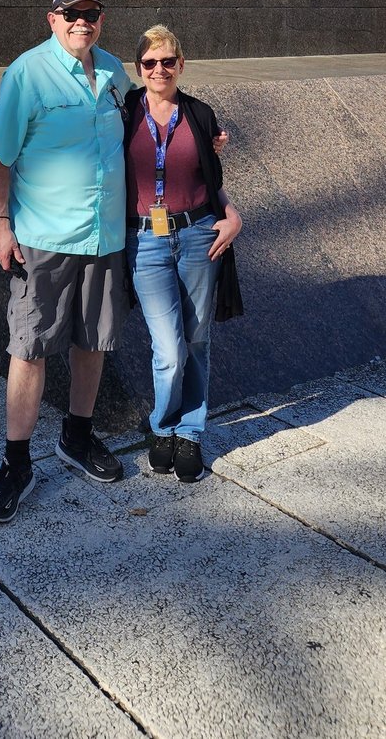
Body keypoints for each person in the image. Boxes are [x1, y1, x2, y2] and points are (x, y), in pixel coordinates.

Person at [0, 0, 132, 523]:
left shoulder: (116, 71)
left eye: (89, 13)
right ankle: (16, 462)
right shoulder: (28, 72)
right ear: (53, 19)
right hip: (43, 239)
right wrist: (2, 224)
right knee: (31, 348)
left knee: (93, 342)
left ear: (101, 19)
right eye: (70, 13)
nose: (79, 22)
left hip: (104, 235)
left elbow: (141, 136)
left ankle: (76, 435)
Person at [124, 25, 242, 483]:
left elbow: (210, 179)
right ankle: (163, 425)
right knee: (168, 347)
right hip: (145, 241)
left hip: (196, 235)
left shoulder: (199, 114)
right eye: (150, 63)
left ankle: (190, 432)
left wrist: (231, 214)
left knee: (196, 338)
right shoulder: (124, 112)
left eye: (167, 61)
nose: (159, 70)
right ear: (139, 69)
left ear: (181, 65)